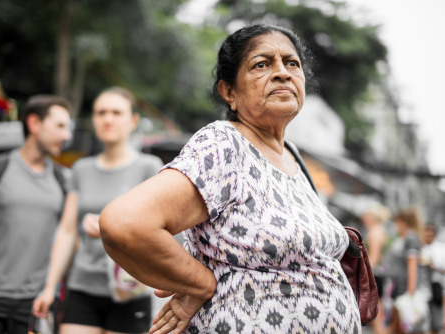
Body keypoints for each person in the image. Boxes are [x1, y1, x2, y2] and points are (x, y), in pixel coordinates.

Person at [99, 24, 361, 333]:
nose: (282, 73)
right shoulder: (226, 144)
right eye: (261, 64)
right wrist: (200, 283)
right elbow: (126, 222)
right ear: (229, 92)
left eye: (292, 63)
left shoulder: (294, 156)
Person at [32, 86, 163, 334]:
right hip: (82, 286)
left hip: (130, 289)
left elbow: (160, 230)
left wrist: (110, 227)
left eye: (116, 112)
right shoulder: (81, 169)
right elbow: (68, 231)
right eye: (101, 112)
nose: (108, 119)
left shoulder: (149, 167)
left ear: (133, 120)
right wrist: (50, 288)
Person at [0, 95, 72, 334]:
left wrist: (50, 290)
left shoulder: (65, 180)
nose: (67, 135)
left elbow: (67, 239)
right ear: (34, 124)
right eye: (60, 126)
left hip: (36, 302)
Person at [386, 207, 431, 333]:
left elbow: (412, 264)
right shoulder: (407, 237)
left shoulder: (411, 237)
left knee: (408, 326)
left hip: (407, 290)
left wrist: (411, 293)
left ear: (402, 222)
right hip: (401, 289)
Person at [360, 203, 390, 334]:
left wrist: (365, 273)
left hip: (375, 274)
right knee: (377, 311)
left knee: (376, 313)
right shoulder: (380, 230)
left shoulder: (375, 231)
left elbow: (374, 255)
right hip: (379, 273)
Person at [421, 223, 445, 334]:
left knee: (436, 322)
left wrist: (431, 266)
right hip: (422, 288)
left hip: (436, 287)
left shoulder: (440, 249)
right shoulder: (420, 248)